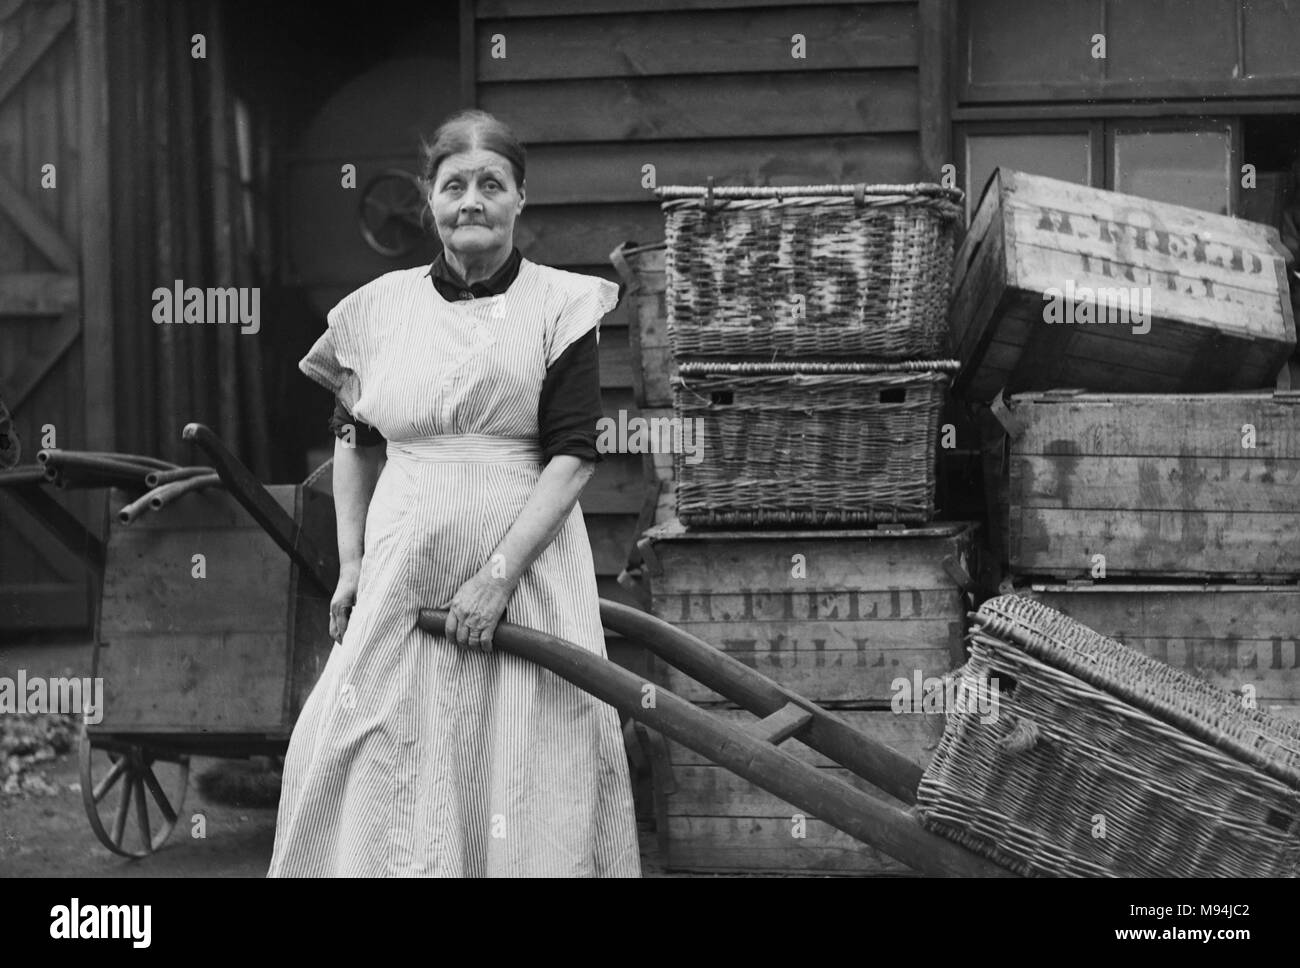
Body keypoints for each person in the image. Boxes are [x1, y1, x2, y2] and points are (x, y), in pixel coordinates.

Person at [267, 109, 641, 877]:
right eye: (455, 185)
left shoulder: (561, 305)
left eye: (491, 185)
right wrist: (351, 565)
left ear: (519, 201)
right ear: (429, 200)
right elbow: (355, 442)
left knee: (531, 745)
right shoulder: (376, 309)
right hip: (404, 564)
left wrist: (495, 576)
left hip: (527, 572)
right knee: (356, 734)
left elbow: (572, 458)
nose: (472, 201)